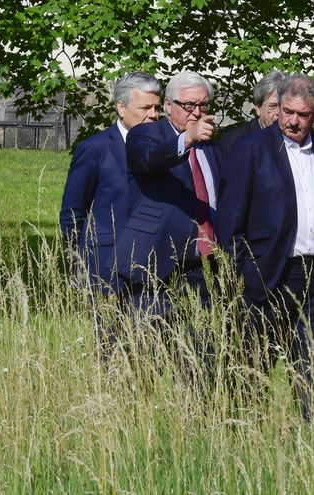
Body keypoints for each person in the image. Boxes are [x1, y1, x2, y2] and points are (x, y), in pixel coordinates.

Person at [218, 73, 314, 439]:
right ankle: (242, 437)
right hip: (268, 272)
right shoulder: (251, 148)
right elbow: (231, 221)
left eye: (302, 115)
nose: (292, 120)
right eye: (287, 111)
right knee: (256, 360)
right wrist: (245, 272)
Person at [114, 71, 223, 382]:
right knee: (145, 360)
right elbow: (148, 160)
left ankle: (197, 421)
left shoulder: (213, 147)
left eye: (204, 105)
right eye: (189, 105)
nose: (197, 112)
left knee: (201, 360)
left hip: (205, 266)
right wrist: (186, 139)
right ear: (169, 106)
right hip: (156, 265)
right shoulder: (146, 135)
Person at [59, 72, 161, 293]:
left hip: (154, 267)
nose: (153, 115)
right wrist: (78, 258)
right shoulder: (95, 148)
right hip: (104, 265)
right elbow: (72, 211)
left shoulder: (166, 148)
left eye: (157, 108)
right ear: (121, 108)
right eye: (145, 108)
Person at [220, 70, 286, 153]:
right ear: (258, 108)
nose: (279, 113)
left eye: (285, 108)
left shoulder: (297, 137)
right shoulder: (235, 142)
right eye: (273, 106)